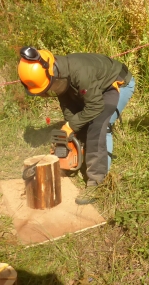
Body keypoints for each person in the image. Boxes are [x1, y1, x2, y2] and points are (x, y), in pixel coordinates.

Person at [17, 47, 135, 205]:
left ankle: (97, 183)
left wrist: (71, 126)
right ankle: (80, 156)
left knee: (99, 126)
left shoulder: (79, 73)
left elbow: (95, 107)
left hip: (115, 84)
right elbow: (68, 106)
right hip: (94, 86)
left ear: (52, 72)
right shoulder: (58, 74)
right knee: (81, 124)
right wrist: (70, 128)